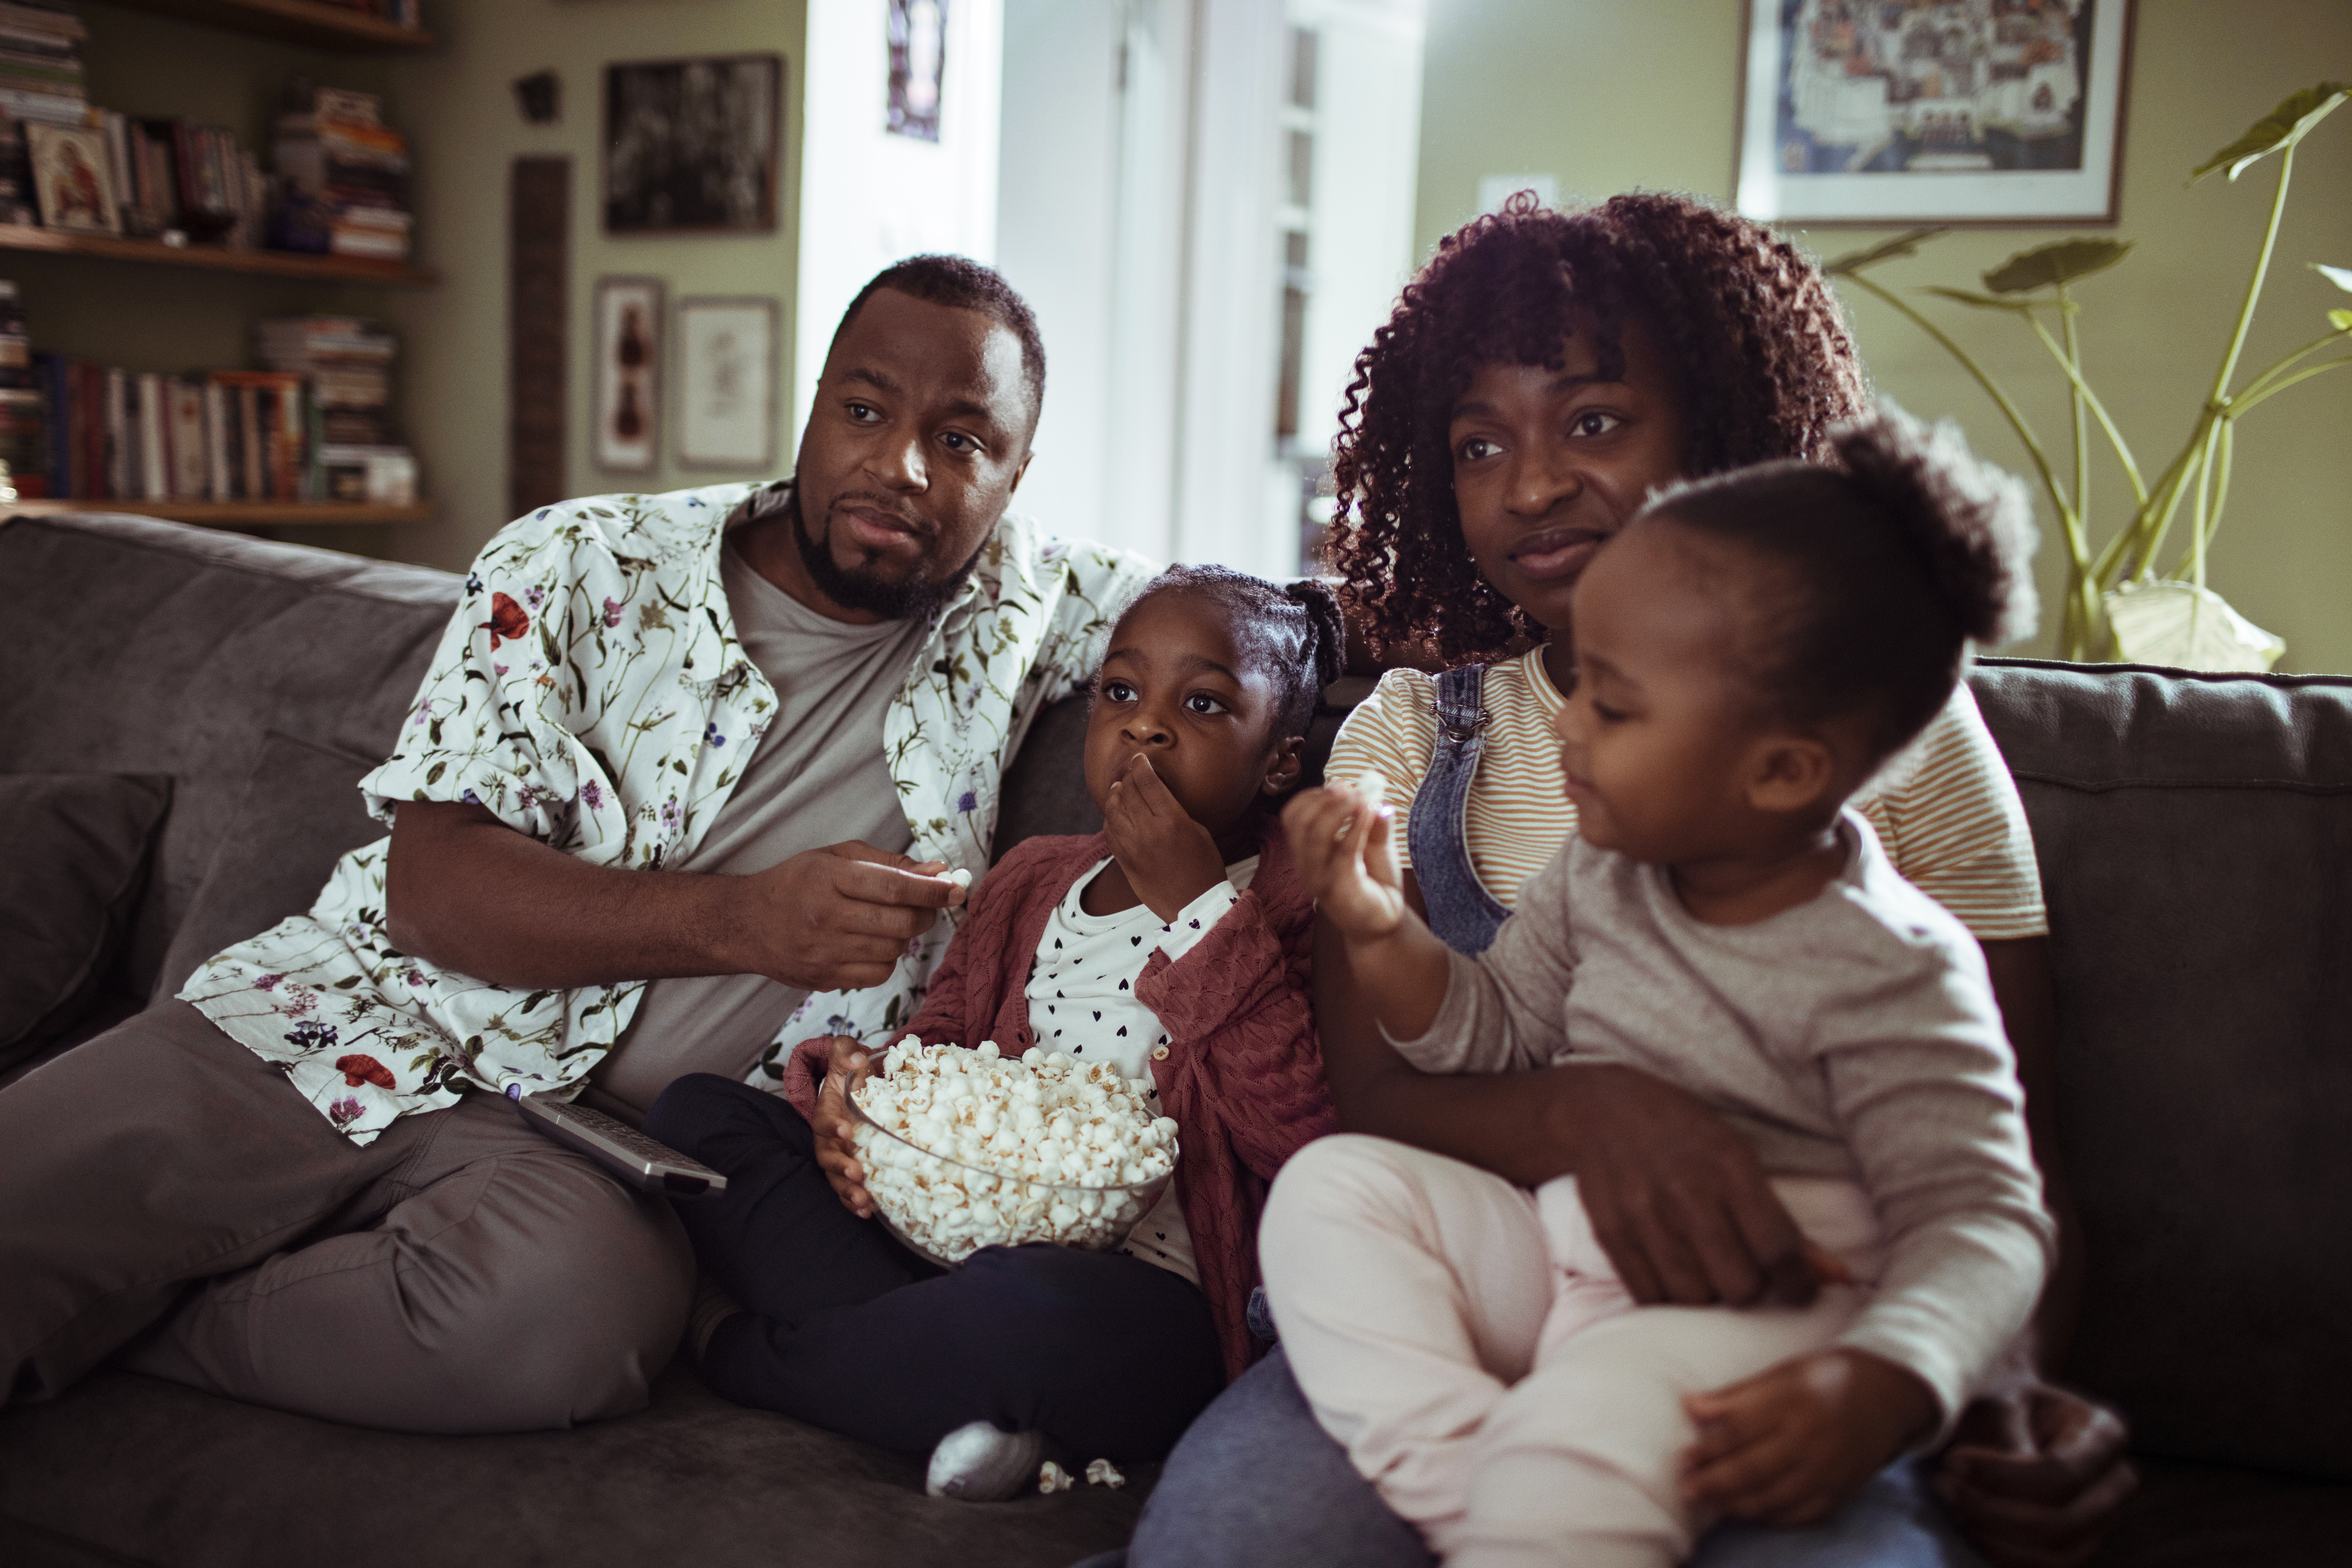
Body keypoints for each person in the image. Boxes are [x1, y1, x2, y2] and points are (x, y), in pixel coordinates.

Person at [1127, 194, 2134, 1568]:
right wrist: (1594, 1112)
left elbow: (2004, 1175)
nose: (1532, 485)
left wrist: (1974, 1384)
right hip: (1505, 1282)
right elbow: (1390, 1092)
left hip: (1789, 1314)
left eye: (1594, 420)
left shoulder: (1887, 742)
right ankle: (1513, 1489)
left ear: (1718, 431)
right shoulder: (1416, 738)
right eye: (1481, 443)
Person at [0, 255, 1157, 1433]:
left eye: (963, 443)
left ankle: (137, 1322)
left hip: (590, 1156)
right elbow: (431, 891)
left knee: (561, 1333)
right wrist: (745, 921)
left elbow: (1265, 626)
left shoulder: (1036, 607)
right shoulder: (573, 563)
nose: (901, 466)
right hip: (351, 1016)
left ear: (1014, 480)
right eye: (864, 411)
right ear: (812, 410)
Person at [1269, 407, 2053, 1567]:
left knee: (1591, 1423)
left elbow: (1986, 1219)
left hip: (1761, 1311)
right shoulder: (1606, 874)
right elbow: (1494, 1034)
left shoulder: (1895, 965)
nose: (1571, 724)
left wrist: (1886, 1382)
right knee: (1332, 1192)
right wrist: (1383, 929)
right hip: (1569, 1252)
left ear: (1782, 771)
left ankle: (1546, 1499)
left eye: (1617, 707)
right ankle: (1482, 1486)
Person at [641, 565, 1342, 1494]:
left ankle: (741, 1349)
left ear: (1280, 759)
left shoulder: (1302, 897)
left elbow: (1309, 1139)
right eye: (1121, 692)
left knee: (1031, 1314)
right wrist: (859, 1098)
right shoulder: (1031, 878)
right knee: (698, 1117)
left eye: (1204, 703)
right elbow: (940, 1055)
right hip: (935, 1243)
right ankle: (960, 1390)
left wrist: (1196, 908)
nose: (1147, 724)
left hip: (1141, 1297)